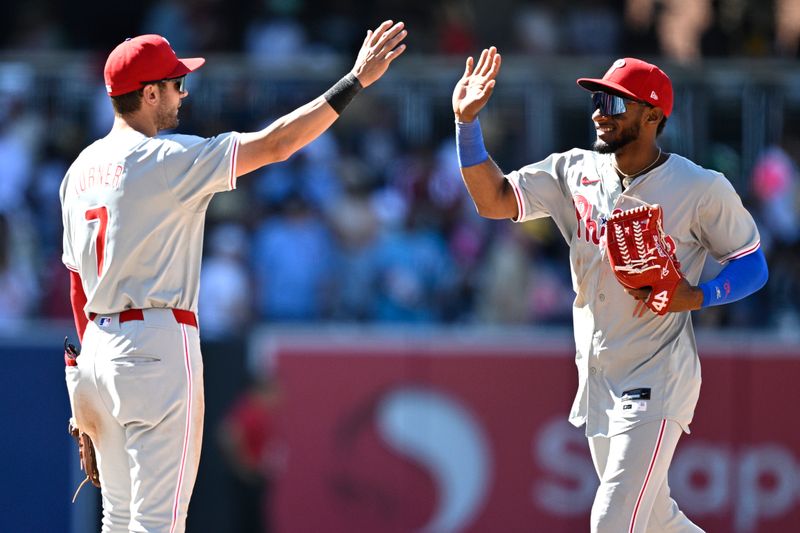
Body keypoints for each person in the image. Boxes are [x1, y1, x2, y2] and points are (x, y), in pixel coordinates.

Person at [61, 24, 406, 532]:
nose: (184, 93)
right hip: (154, 346)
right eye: (176, 83)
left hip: (95, 354)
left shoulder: (79, 169)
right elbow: (278, 143)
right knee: (159, 525)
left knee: (118, 521)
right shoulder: (166, 157)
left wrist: (83, 385)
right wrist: (353, 80)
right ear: (149, 93)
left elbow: (77, 287)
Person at [452, 49, 768, 532]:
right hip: (599, 377)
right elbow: (493, 200)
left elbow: (752, 264)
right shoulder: (572, 171)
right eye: (598, 99)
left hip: (658, 375)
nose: (601, 112)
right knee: (658, 519)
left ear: (653, 114)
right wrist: (467, 125)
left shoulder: (700, 187)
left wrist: (699, 295)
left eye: (616, 103)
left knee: (611, 520)